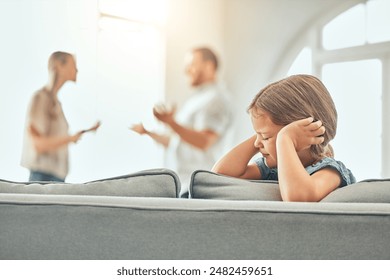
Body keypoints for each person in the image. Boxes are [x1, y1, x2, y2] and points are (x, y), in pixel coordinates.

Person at [212, 74, 356, 202]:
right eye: (257, 135)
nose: (257, 143)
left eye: (266, 137)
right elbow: (220, 175)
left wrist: (285, 139)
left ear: (305, 135)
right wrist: (263, 135)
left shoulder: (330, 170)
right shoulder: (272, 168)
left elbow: (299, 198)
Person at [131, 47, 232, 197]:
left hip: (198, 185)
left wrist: (171, 123)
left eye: (192, 64)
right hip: (183, 183)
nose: (186, 70)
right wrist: (147, 132)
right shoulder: (197, 99)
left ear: (209, 66)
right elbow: (176, 141)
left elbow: (205, 141)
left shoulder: (216, 99)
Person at [21, 51, 100, 182]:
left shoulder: (55, 103)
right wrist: (69, 139)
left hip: (56, 179)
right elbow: (38, 144)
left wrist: (75, 136)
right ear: (59, 66)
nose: (77, 69)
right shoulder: (40, 98)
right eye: (73, 65)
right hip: (43, 178)